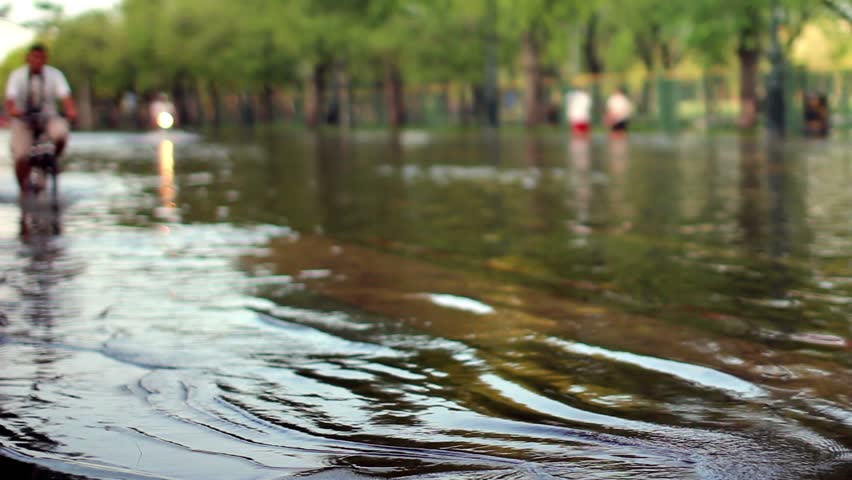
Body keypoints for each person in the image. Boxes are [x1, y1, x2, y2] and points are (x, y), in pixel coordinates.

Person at [5, 43, 77, 194]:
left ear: (46, 59)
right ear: (28, 59)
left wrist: (70, 111)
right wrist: (14, 111)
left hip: (48, 116)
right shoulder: (17, 76)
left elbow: (66, 97)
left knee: (61, 133)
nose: (38, 61)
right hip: (23, 118)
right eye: (35, 57)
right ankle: (23, 188)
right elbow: (10, 100)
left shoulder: (55, 75)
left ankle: (54, 159)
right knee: (21, 155)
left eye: (42, 58)